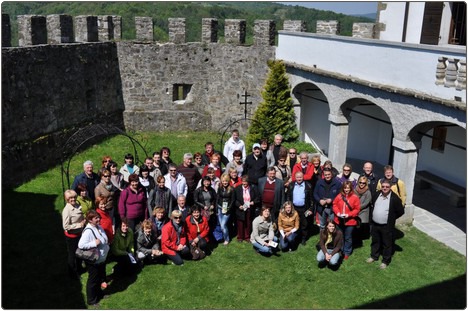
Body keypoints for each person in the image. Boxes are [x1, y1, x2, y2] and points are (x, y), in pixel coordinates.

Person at [367, 179, 404, 269]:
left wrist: (391, 218)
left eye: (387, 187)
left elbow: (401, 211)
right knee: (375, 241)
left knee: (387, 244)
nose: (385, 188)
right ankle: (374, 256)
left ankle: (385, 261)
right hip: (375, 224)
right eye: (383, 186)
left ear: (390, 187)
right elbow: (372, 205)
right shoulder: (376, 194)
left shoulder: (395, 198)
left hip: (386, 226)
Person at [78, 210, 110, 307]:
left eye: (98, 217)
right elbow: (81, 245)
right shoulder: (88, 231)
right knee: (93, 281)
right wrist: (93, 243)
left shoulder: (98, 226)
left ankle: (99, 294)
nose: (99, 219)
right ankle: (91, 300)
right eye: (96, 218)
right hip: (94, 261)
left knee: (99, 278)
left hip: (101, 260)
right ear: (90, 220)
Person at [332, 181, 360, 260]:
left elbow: (357, 209)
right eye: (345, 188)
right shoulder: (339, 196)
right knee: (340, 236)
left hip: (350, 221)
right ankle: (340, 249)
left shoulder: (355, 197)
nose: (346, 189)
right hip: (339, 220)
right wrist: (337, 213)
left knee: (348, 237)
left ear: (351, 188)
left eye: (348, 188)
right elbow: (334, 204)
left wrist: (349, 215)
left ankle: (347, 252)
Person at [62, 189, 86, 279]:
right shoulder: (66, 210)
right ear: (67, 199)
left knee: (80, 253)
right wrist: (79, 225)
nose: (73, 199)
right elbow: (66, 226)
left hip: (79, 234)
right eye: (70, 198)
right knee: (72, 255)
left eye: (74, 197)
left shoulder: (77, 205)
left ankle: (79, 269)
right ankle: (72, 274)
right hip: (72, 237)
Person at [287, 171, 313, 245]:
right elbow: (288, 196)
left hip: (304, 208)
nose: (299, 179)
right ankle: (295, 237)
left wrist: (310, 209)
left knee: (304, 224)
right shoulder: (291, 185)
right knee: (294, 223)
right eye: (297, 177)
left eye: (300, 177)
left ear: (303, 177)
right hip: (294, 208)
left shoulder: (308, 185)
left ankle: (303, 238)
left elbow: (311, 199)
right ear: (295, 178)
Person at [234, 175, 259, 242]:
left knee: (248, 223)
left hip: (249, 208)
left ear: (248, 182)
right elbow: (235, 199)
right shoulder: (237, 188)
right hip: (241, 208)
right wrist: (239, 205)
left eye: (245, 182)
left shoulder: (252, 188)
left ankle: (247, 236)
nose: (244, 184)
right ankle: (240, 237)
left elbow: (257, 198)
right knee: (240, 223)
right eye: (243, 182)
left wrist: (253, 202)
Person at [217, 173, 235, 245]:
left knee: (223, 225)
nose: (225, 182)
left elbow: (233, 200)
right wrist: (216, 208)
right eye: (223, 181)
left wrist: (229, 209)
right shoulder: (220, 188)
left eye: (226, 181)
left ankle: (227, 239)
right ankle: (224, 237)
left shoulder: (232, 189)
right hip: (219, 207)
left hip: (227, 209)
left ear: (228, 181)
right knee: (222, 226)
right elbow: (218, 198)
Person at [354, 175, 372, 244]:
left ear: (366, 183)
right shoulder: (355, 190)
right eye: (360, 182)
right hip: (355, 209)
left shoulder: (368, 192)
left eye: (364, 183)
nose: (362, 184)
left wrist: (358, 207)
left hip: (363, 210)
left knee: (362, 225)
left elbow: (367, 202)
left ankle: (360, 239)